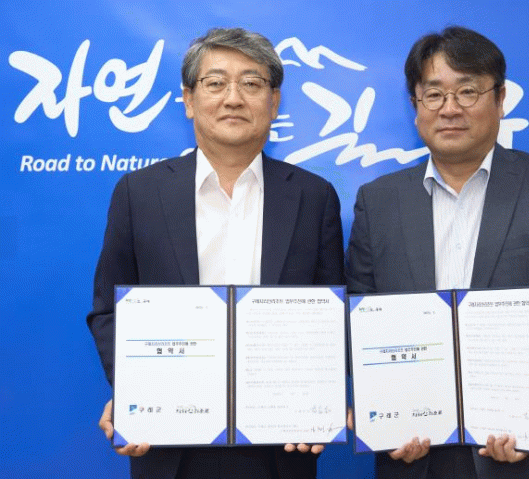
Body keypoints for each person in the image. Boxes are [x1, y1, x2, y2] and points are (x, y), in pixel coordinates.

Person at [345, 26, 529, 479]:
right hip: (416, 457)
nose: (450, 108)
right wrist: (386, 416)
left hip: (527, 457)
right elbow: (361, 314)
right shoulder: (379, 201)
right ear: (415, 105)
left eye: (467, 91)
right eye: (434, 94)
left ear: (500, 98)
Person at [87, 27, 344, 479]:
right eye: (216, 83)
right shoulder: (138, 193)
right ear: (189, 99)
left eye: (251, 83)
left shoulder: (313, 196)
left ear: (274, 102)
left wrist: (320, 397)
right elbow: (109, 310)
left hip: (280, 446)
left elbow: (331, 313)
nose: (233, 98)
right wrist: (135, 387)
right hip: (169, 445)